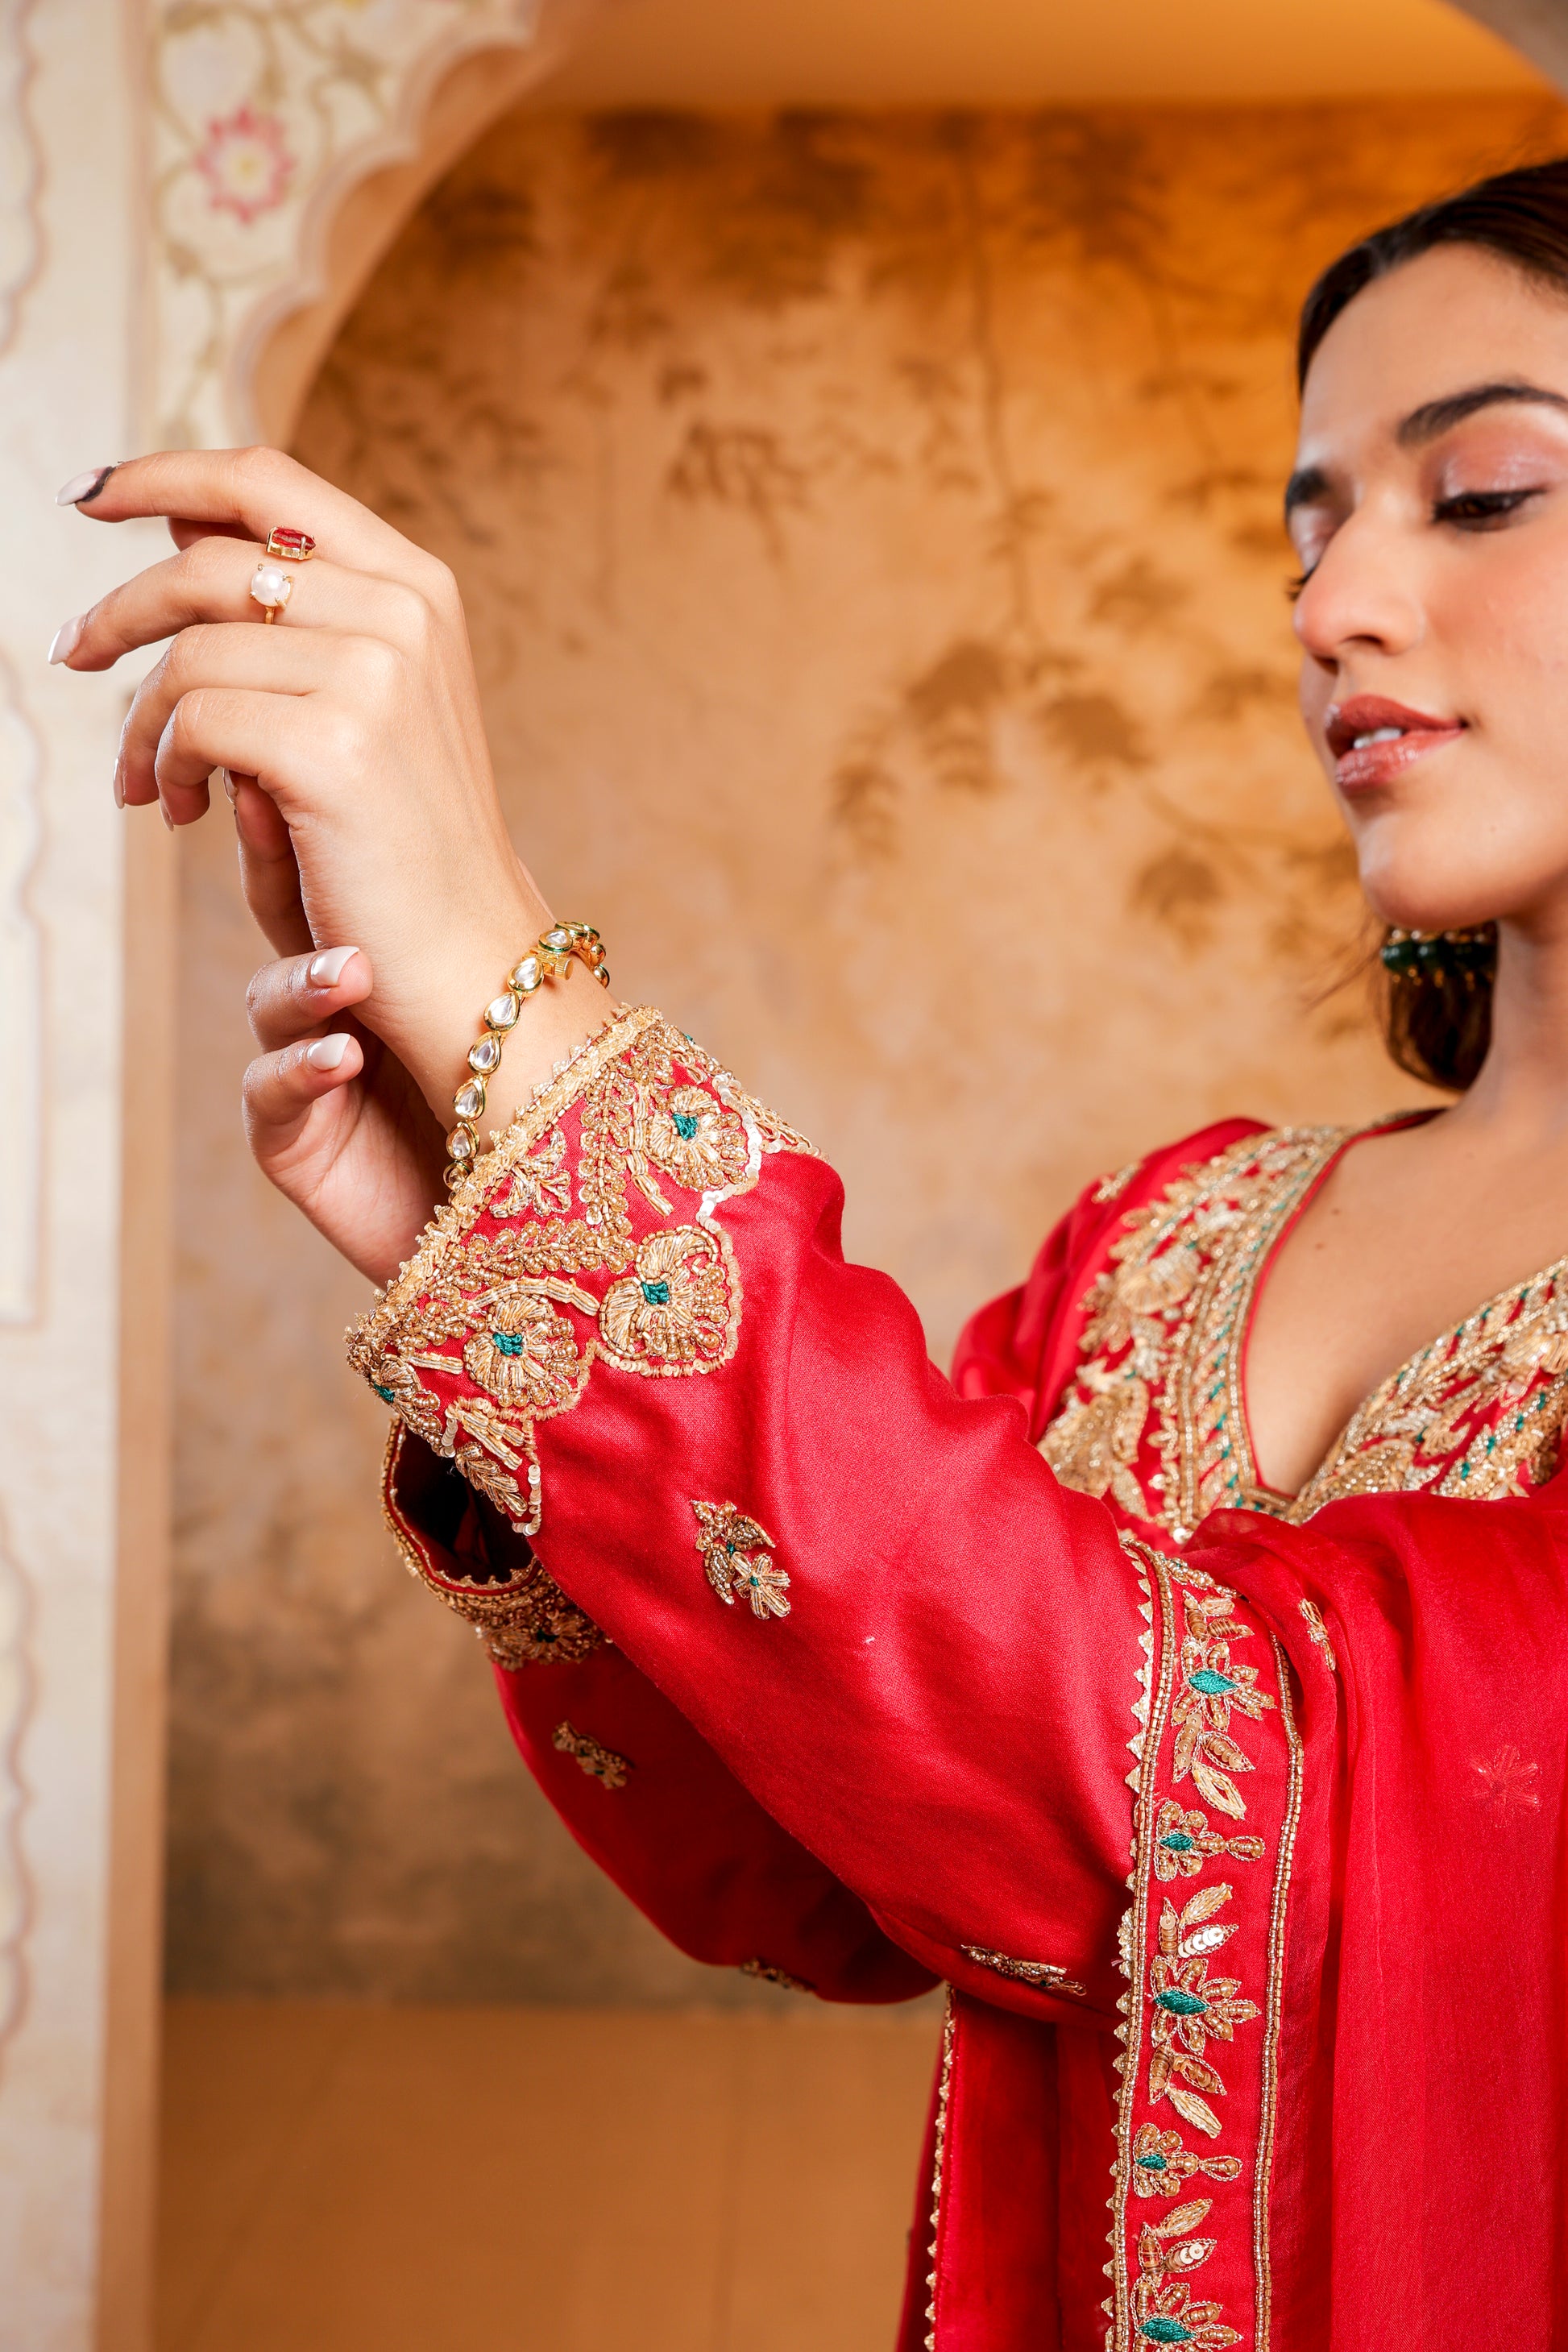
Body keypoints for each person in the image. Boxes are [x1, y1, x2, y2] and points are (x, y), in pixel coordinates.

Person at [53, 155, 1568, 2346]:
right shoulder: (1178, 1233)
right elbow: (840, 1862)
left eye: (1485, 491)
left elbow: (1183, 1799)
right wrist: (492, 1240)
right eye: (1306, 525)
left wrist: (519, 1001)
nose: (1330, 603)